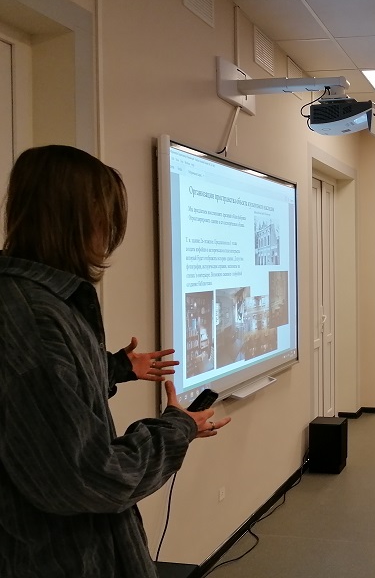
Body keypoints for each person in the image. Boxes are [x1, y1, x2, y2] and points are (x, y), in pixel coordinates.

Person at [0, 145, 231, 578]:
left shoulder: (36, 301)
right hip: (63, 558)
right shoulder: (36, 318)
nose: (109, 234)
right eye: (106, 217)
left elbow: (44, 396)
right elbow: (90, 476)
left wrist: (115, 367)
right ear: (77, 219)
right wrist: (177, 428)